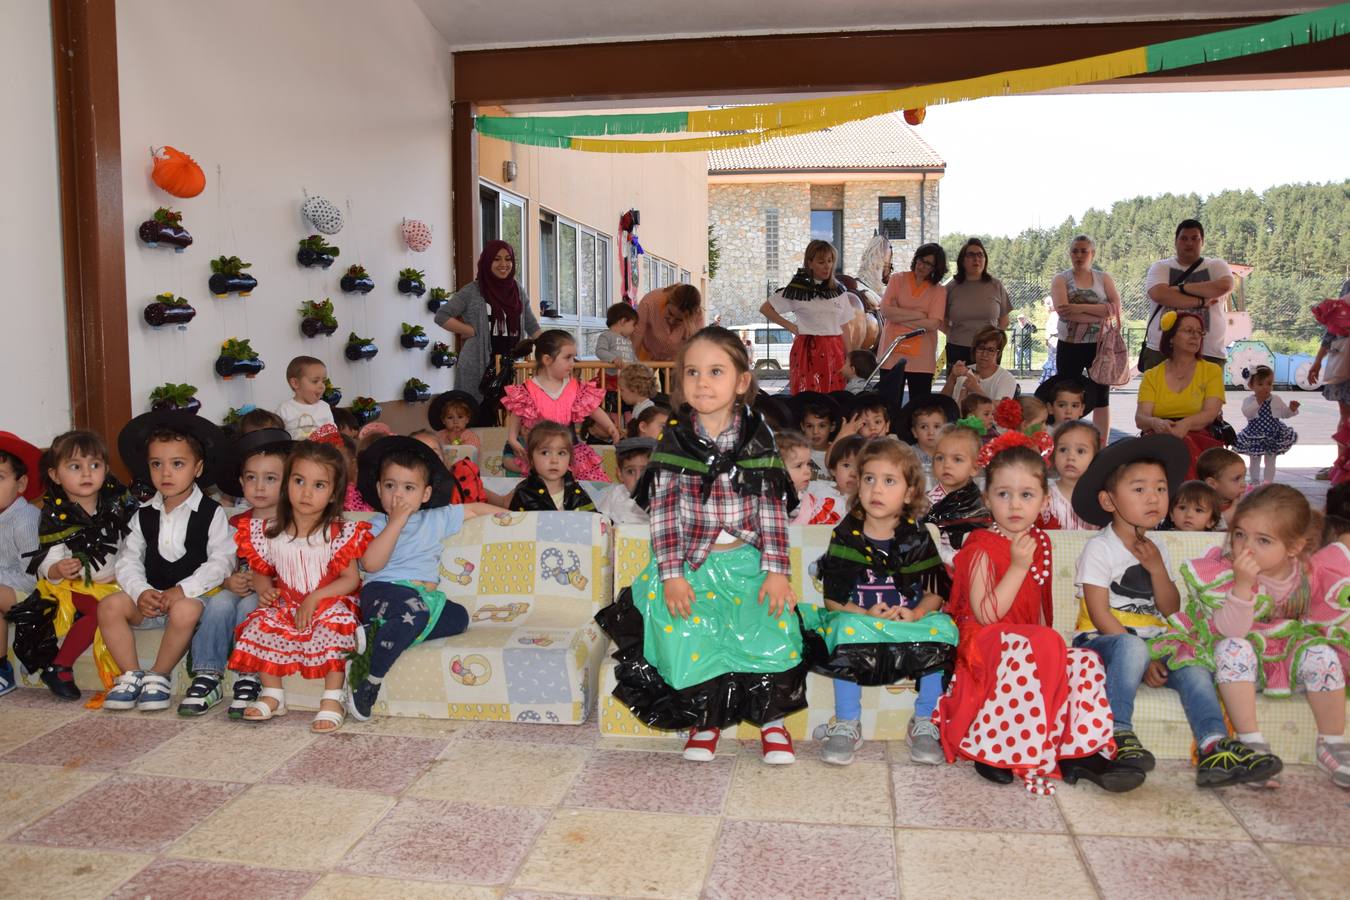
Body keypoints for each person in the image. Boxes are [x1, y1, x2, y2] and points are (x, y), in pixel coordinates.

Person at [594, 326, 804, 764]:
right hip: (692, 565)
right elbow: (665, 515)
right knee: (695, 639)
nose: (702, 382)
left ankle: (772, 723)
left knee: (766, 633)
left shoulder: (757, 435)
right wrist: (672, 576)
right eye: (692, 372)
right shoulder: (675, 438)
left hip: (748, 564)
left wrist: (777, 570)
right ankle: (705, 721)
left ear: (741, 381)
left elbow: (770, 509)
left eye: (715, 371)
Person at [1071, 435, 1282, 788]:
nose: (1153, 497)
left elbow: (1170, 609)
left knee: (1192, 662)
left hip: (1153, 640)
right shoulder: (1100, 548)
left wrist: (1156, 569)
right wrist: (1142, 659)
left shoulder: (1158, 547)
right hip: (1102, 641)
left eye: (1160, 488)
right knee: (1132, 647)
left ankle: (1214, 745)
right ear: (1109, 500)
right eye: (1139, 489)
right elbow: (1098, 612)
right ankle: (1117, 734)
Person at [935, 436, 1125, 795]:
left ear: (1045, 500)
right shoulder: (979, 544)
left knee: (1084, 660)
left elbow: (1038, 613)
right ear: (987, 499)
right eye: (1003, 494)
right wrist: (1018, 566)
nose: (1015, 505)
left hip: (1025, 641)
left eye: (1026, 495)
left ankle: (1080, 752)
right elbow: (986, 615)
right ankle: (994, 750)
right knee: (1034, 645)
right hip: (984, 645)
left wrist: (1053, 655)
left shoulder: (1040, 542)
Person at [1153, 484, 1349, 786]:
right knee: (1234, 647)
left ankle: (1332, 742)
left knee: (1322, 652)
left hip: (1283, 662)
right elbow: (1230, 630)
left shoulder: (1308, 574)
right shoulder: (1224, 570)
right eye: (1240, 535)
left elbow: (1326, 621)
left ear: (1294, 547)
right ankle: (1250, 744)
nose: (1246, 547)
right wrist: (1243, 586)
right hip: (1233, 664)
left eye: (1263, 540)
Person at [810, 437, 955, 766]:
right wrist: (864, 613)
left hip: (906, 624)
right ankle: (847, 723)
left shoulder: (917, 537)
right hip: (862, 621)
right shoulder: (846, 536)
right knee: (843, 627)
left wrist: (916, 613)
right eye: (869, 478)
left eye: (889, 481)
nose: (877, 489)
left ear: (908, 493)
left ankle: (924, 721)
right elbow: (833, 600)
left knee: (944, 628)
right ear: (858, 485)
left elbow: (936, 592)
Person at [228, 440, 372, 733]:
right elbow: (261, 570)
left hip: (329, 601)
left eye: (319, 485)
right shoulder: (269, 532)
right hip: (288, 602)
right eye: (299, 481)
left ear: (334, 494)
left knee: (336, 626)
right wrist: (264, 590)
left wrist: (316, 598)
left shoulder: (337, 532)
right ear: (286, 485)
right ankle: (273, 694)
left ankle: (333, 698)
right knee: (259, 624)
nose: (306, 492)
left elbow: (351, 579)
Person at [349, 436, 497, 720]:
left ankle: (374, 632)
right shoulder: (375, 524)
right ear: (379, 489)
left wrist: (514, 517)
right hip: (383, 591)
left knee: (459, 617)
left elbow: (475, 509)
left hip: (424, 599)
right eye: (390, 486)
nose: (398, 496)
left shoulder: (436, 517)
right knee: (414, 612)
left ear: (425, 494)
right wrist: (396, 522)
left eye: (409, 488)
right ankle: (369, 680)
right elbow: (370, 563)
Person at [100, 412, 235, 712]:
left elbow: (222, 561)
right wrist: (140, 592)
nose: (166, 473)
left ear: (197, 468)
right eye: (156, 464)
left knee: (185, 609)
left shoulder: (211, 513)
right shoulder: (143, 514)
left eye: (178, 464)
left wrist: (182, 590)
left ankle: (158, 675)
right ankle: (131, 674)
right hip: (150, 600)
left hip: (193, 600)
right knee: (109, 606)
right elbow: (128, 560)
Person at [11, 431, 136, 703]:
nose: (87, 473)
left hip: (112, 583)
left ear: (106, 469)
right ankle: (60, 666)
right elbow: (47, 556)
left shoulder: (116, 504)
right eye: (75, 466)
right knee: (100, 612)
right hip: (71, 586)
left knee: (114, 606)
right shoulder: (56, 514)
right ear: (55, 475)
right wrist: (57, 569)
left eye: (95, 465)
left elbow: (130, 543)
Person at [181, 427, 291, 717]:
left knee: (249, 607)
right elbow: (221, 561)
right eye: (251, 478)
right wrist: (230, 581)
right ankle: (207, 673)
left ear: (286, 483)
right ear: (241, 482)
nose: (259, 487)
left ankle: (249, 675)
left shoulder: (292, 523)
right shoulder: (234, 523)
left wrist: (265, 581)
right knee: (219, 603)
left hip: (273, 595)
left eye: (270, 479)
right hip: (237, 588)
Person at [435, 240, 542, 418]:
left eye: (508, 259)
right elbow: (442, 316)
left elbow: (531, 324)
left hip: (509, 364)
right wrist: (469, 331)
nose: (503, 264)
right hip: (477, 364)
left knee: (511, 417)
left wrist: (552, 347)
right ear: (486, 262)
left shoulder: (517, 290)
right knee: (475, 415)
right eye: (496, 259)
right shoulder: (473, 290)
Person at [502, 329, 621, 482]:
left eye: (573, 357)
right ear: (547, 360)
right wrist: (512, 438)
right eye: (567, 357)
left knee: (585, 490)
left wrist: (610, 427)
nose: (573, 363)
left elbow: (593, 409)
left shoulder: (575, 387)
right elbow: (517, 415)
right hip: (543, 455)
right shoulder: (527, 390)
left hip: (571, 454)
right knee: (544, 490)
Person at [1135, 311, 1226, 478]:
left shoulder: (1212, 371)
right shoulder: (1152, 375)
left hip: (1199, 438)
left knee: (1182, 447)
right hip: (1159, 437)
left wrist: (1186, 424)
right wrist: (1155, 422)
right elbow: (1141, 418)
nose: (1195, 336)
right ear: (1171, 338)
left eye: (1199, 332)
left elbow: (1210, 413)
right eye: (1189, 330)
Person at [759, 240, 857, 394]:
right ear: (810, 263)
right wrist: (792, 327)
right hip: (806, 350)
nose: (827, 266)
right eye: (821, 262)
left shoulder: (839, 291)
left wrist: (851, 357)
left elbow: (844, 326)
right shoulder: (797, 289)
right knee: (807, 395)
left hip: (835, 350)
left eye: (830, 261)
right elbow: (766, 308)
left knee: (836, 395)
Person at [1140, 219, 1234, 371]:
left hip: (1209, 352)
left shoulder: (1217, 265)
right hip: (1161, 351)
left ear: (1202, 242)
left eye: (1195, 238)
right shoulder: (1160, 267)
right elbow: (1159, 294)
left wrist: (1180, 289)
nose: (1189, 243)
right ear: (1175, 242)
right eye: (1184, 238)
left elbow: (1224, 286)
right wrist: (1201, 301)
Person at [1051, 235, 1121, 439]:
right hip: (1069, 345)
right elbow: (1064, 312)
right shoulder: (1061, 279)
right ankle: (1066, 439)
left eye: (1084, 251)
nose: (1079, 255)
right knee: (1066, 396)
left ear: (1093, 254)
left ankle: (1101, 445)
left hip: (1099, 346)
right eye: (1075, 251)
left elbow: (1116, 309)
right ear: (1070, 254)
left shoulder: (1104, 278)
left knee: (1101, 398)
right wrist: (1100, 311)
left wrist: (1078, 307)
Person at [0, 433, 42, 697]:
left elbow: (33, 575)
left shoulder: (25, 519)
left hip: (34, 597)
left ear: (21, 483)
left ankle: (2, 670)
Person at [878, 244, 947, 404]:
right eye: (920, 260)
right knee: (888, 406)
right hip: (891, 355)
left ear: (936, 268)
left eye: (928, 263)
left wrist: (898, 314)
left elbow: (933, 324)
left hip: (922, 360)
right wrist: (919, 315)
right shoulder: (897, 279)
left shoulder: (939, 290)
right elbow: (885, 310)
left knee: (919, 408)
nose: (921, 265)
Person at [925, 424, 990, 565]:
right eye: (940, 458)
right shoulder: (925, 502)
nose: (946, 465)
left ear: (974, 468)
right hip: (938, 567)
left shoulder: (982, 503)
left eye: (957, 459)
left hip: (973, 565)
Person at [943, 238, 1011, 369]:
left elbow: (1004, 321)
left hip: (989, 351)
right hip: (958, 349)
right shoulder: (951, 288)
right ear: (962, 261)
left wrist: (993, 341)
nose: (976, 259)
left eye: (980, 255)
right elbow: (941, 321)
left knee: (987, 383)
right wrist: (956, 336)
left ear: (985, 259)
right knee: (958, 382)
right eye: (971, 255)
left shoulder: (996, 285)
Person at [508, 422, 597, 512]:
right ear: (531, 459)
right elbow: (515, 520)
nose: (554, 460)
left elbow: (593, 518)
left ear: (570, 459)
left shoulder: (576, 491)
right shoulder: (523, 493)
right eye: (545, 453)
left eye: (561, 453)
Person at [1234, 365, 1299, 484]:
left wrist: (1291, 409)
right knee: (1255, 459)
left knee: (1270, 460)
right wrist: (1258, 401)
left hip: (1274, 433)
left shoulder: (1276, 399)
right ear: (1251, 386)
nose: (1265, 387)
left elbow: (1284, 413)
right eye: (1260, 384)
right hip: (1255, 434)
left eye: (1268, 383)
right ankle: (1254, 481)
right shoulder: (1249, 400)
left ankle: (1268, 482)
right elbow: (1247, 413)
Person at [1043, 421, 1100, 531]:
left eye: (1080, 451)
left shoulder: (1100, 496)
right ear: (1053, 455)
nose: (1070, 457)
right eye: (1063, 450)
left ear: (1095, 457)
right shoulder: (1044, 492)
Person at [778, 430, 841, 526]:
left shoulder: (810, 502)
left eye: (808, 464)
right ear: (778, 470)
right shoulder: (766, 504)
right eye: (799, 466)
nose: (808, 471)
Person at [942, 327, 1017, 406]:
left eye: (991, 350)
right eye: (981, 348)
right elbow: (941, 404)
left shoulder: (1006, 378)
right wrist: (952, 377)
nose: (984, 354)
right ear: (974, 349)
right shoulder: (964, 371)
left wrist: (976, 389)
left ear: (998, 353)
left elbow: (1001, 409)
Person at [633, 283, 704, 363]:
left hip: (675, 358)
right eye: (670, 313)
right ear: (667, 300)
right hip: (646, 351)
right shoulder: (650, 301)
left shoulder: (697, 317)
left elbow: (696, 349)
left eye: (679, 320)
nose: (671, 321)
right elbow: (637, 335)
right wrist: (632, 364)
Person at [596, 437, 656, 526]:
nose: (638, 478)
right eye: (630, 471)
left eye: (645, 472)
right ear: (620, 474)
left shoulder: (661, 498)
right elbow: (600, 521)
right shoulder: (615, 494)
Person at [276, 356, 335, 440]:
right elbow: (278, 436)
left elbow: (332, 434)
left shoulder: (324, 407)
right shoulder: (284, 409)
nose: (322, 386)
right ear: (295, 383)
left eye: (323, 381)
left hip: (322, 448)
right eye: (315, 381)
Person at [895, 395, 959, 469]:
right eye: (924, 427)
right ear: (914, 432)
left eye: (936, 426)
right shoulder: (908, 456)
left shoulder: (951, 453)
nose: (931, 432)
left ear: (945, 429)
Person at [1197, 447, 1246, 527]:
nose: (1244, 484)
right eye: (1237, 479)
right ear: (1212, 484)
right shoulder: (1199, 505)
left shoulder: (1243, 504)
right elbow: (1199, 529)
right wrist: (1226, 517)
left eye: (1243, 478)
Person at [827, 434, 865, 507]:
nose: (853, 474)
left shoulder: (864, 504)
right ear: (833, 469)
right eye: (846, 465)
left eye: (860, 467)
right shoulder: (817, 490)